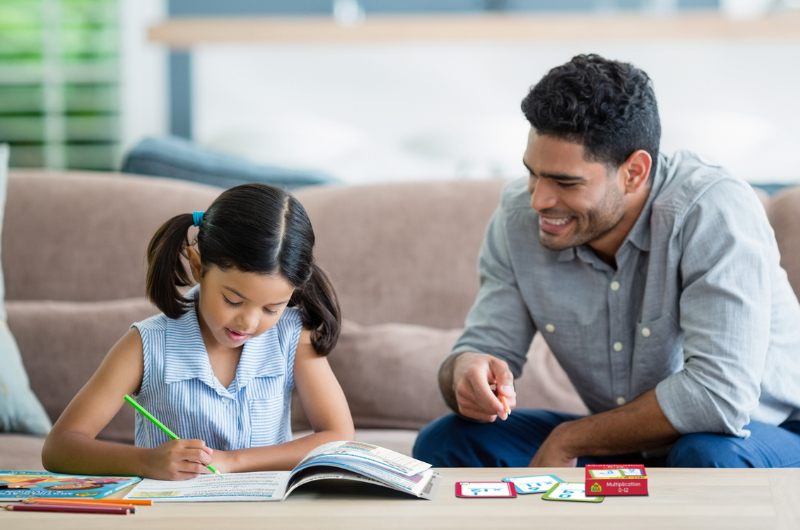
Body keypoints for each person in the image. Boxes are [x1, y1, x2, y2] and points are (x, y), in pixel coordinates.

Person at [413, 54, 800, 468]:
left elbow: (719, 397)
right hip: (630, 438)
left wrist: (570, 440)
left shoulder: (712, 209)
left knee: (703, 455)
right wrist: (465, 371)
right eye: (533, 173)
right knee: (447, 441)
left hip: (765, 429)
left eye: (566, 182)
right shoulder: (517, 216)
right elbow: (486, 344)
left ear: (634, 172)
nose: (539, 200)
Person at [42, 183, 354, 479]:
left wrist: (232, 461)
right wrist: (145, 462)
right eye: (233, 300)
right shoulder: (146, 345)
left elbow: (338, 436)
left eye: (271, 308)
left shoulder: (292, 335)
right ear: (197, 265)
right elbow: (60, 447)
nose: (248, 322)